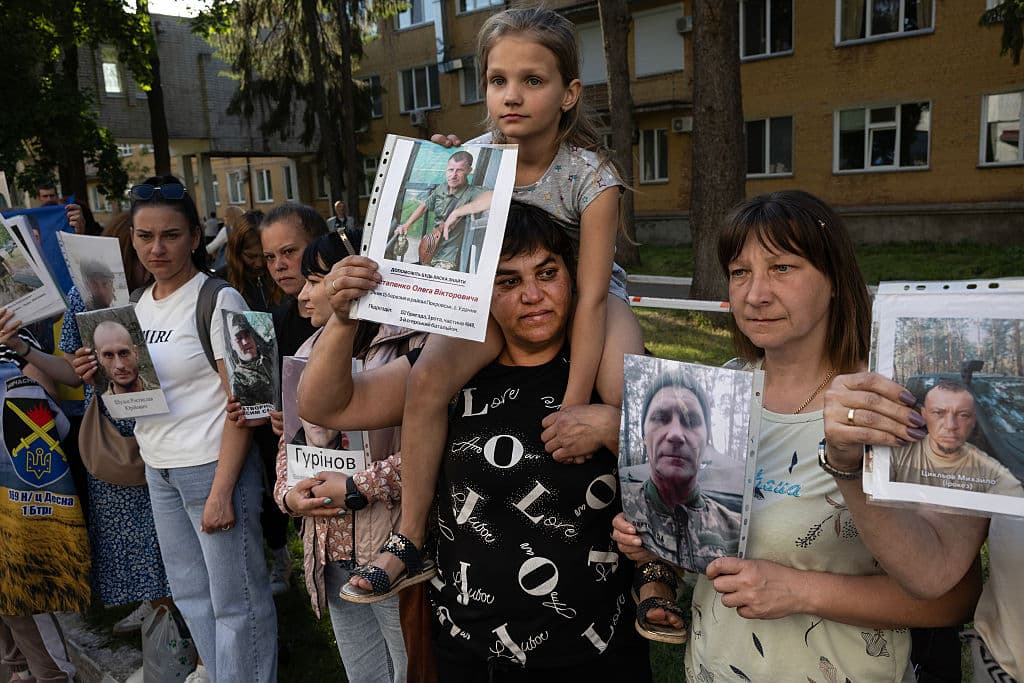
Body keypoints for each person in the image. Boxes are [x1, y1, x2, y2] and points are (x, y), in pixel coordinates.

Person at [612, 190, 982, 681]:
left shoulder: (890, 406)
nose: (755, 294)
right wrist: (657, 537)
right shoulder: (719, 393)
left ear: (835, 280)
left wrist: (799, 591)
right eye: (740, 272)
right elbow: (710, 543)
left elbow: (954, 598)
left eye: (782, 268)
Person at [355, 5, 645, 600]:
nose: (511, 95)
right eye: (497, 80)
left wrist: (572, 404)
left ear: (569, 94)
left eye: (532, 80)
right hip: (500, 301)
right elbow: (442, 234)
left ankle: (651, 555)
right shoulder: (478, 158)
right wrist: (439, 168)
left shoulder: (591, 176)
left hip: (586, 293)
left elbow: (592, 297)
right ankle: (411, 538)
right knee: (426, 380)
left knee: (626, 390)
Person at [300, 201, 651, 680]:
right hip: (468, 651)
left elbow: (688, 463)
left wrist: (613, 424)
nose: (533, 295)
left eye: (547, 273)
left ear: (573, 277)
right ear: (481, 293)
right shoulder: (447, 371)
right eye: (508, 281)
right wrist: (343, 320)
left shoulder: (603, 369)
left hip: (594, 652)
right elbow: (326, 405)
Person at [88, 175, 277, 683]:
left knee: (237, 603)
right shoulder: (135, 304)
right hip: (160, 468)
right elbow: (138, 399)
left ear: (195, 237)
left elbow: (249, 403)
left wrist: (222, 491)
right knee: (192, 596)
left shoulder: (222, 299)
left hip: (214, 466)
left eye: (170, 235)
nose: (157, 248)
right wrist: (102, 377)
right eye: (145, 236)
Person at [272, 232, 409, 683]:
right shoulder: (306, 354)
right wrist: (290, 496)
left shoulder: (406, 349)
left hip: (388, 548)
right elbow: (290, 447)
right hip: (330, 553)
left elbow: (427, 453)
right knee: (363, 674)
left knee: (409, 668)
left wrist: (356, 488)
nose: (303, 294)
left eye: (315, 281)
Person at [60, 213, 173, 637]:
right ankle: (157, 613)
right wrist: (83, 364)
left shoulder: (161, 292)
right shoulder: (83, 295)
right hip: (111, 430)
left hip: (161, 420)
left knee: (165, 530)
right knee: (129, 534)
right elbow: (71, 363)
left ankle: (171, 617)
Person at [625, 369, 740, 573]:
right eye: (661, 417)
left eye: (691, 421)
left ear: (706, 441)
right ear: (643, 436)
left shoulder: (736, 529)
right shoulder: (621, 506)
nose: (676, 434)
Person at [890, 380, 1021, 495]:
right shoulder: (898, 452)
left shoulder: (992, 471)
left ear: (973, 420)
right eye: (938, 413)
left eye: (963, 415)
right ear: (924, 415)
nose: (951, 426)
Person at [393, 150, 486, 271]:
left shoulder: (473, 192)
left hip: (449, 257)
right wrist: (407, 225)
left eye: (459, 170)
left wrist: (460, 212)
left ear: (469, 170)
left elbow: (495, 196)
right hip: (431, 249)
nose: (453, 175)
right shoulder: (441, 188)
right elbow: (424, 206)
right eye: (450, 170)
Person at [219, 210, 279, 312]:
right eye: (251, 256)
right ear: (236, 251)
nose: (259, 264)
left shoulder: (284, 274)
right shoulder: (221, 282)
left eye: (267, 256)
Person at [224, 313, 275, 410]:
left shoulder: (271, 357)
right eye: (238, 339)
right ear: (232, 345)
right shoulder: (238, 379)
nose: (245, 342)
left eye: (247, 335)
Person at [92, 320, 156, 394]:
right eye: (109, 355)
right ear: (99, 358)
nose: (119, 365)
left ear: (136, 353)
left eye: (124, 353)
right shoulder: (99, 401)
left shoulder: (163, 393)